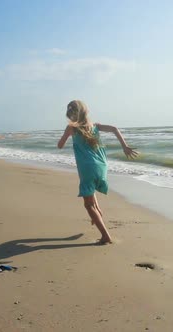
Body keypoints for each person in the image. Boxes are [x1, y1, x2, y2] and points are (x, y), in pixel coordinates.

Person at [57, 100, 138, 244]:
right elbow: (114, 128)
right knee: (90, 188)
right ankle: (98, 211)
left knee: (88, 205)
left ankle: (105, 236)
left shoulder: (71, 128)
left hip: (86, 167)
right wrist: (124, 147)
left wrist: (67, 135)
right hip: (102, 165)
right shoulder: (95, 126)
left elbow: (60, 146)